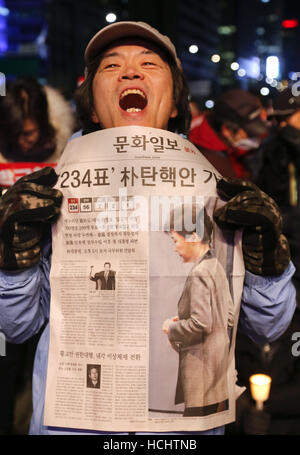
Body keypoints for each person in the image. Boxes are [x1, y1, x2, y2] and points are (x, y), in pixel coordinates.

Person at [0, 21, 296, 436]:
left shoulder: (219, 186)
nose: (131, 72)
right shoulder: (52, 192)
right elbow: (17, 326)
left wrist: (268, 264)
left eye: (149, 63)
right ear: (91, 105)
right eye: (111, 65)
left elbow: (269, 328)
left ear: (175, 102)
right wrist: (15, 262)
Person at [163, 206, 234, 416]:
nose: (174, 248)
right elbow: (228, 317)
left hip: (201, 376)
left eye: (175, 241)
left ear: (194, 236)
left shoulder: (200, 273)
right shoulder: (216, 267)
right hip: (217, 375)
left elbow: (201, 324)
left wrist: (172, 327)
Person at [256, 87, 300, 305]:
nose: (282, 125)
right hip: (288, 256)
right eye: (278, 120)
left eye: (287, 117)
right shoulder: (274, 149)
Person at [189, 89, 269, 179]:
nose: (255, 138)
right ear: (227, 130)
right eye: (249, 133)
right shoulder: (213, 166)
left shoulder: (232, 150)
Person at [0, 77, 75, 164]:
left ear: (44, 124)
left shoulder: (66, 154)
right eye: (13, 133)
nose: (19, 141)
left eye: (27, 133)